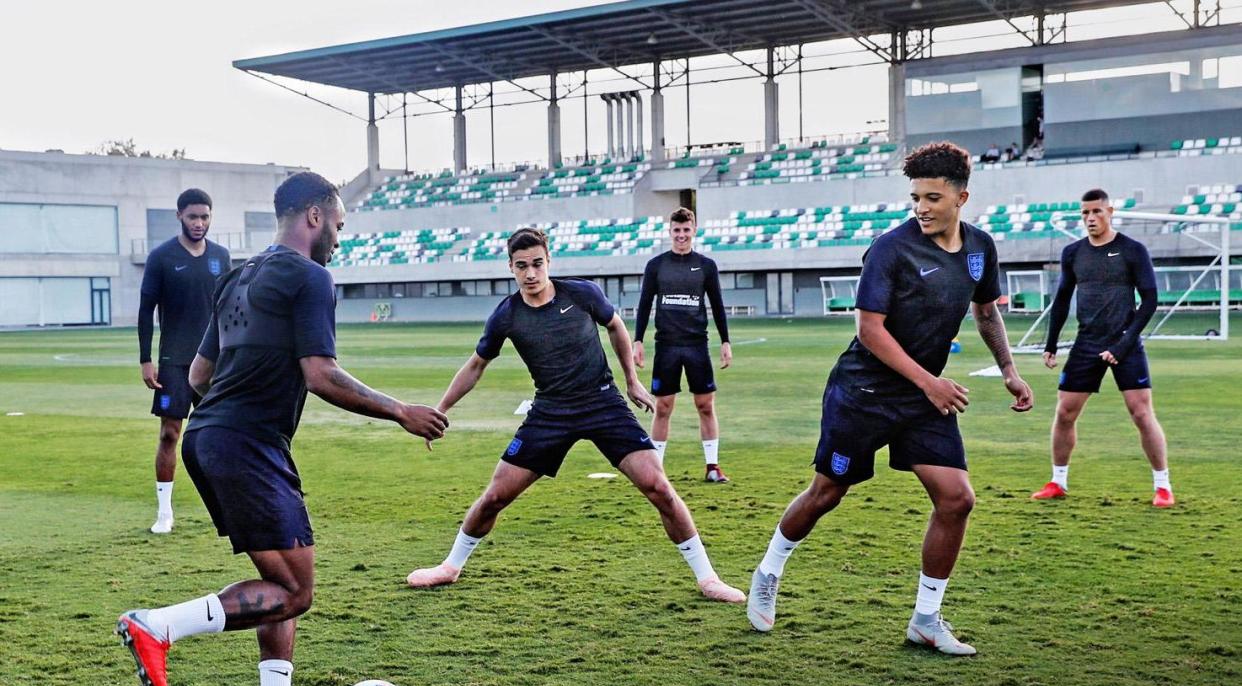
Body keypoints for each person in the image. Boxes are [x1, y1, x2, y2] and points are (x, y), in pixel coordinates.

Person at [117, 172, 449, 686]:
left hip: (215, 437)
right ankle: (159, 625)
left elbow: (198, 376)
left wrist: (225, 421)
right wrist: (400, 411)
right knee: (296, 591)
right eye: (339, 226)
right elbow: (319, 374)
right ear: (315, 217)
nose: (339, 240)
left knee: (281, 577)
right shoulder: (311, 277)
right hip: (247, 444)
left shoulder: (238, 275)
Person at [745, 142, 1034, 654]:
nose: (921, 207)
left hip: (923, 399)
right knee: (827, 493)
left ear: (961, 197)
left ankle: (926, 618)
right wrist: (930, 382)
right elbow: (870, 329)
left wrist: (1009, 370)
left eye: (932, 197)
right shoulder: (890, 248)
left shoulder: (979, 249)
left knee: (957, 498)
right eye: (915, 197)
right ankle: (768, 571)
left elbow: (986, 313)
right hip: (863, 393)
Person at [405, 227, 745, 604]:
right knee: (495, 496)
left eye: (537, 264)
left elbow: (615, 326)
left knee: (659, 487)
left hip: (603, 404)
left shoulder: (581, 294)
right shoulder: (507, 315)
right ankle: (450, 566)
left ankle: (708, 578)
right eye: (522, 267)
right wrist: (440, 410)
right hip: (550, 412)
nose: (531, 274)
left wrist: (631, 381)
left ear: (548, 261)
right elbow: (476, 365)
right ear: (511, 268)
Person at [1032, 188, 1171, 507]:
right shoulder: (1073, 252)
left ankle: (1163, 486)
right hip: (1087, 343)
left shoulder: (1132, 250)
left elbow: (1150, 301)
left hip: (1126, 341)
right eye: (1085, 213)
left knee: (1141, 412)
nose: (1090, 218)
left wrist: (1124, 344)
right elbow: (1062, 299)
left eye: (1096, 212)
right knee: (1065, 412)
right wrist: (1050, 343)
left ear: (1111, 211)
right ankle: (1058, 481)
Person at [137, 189, 230, 534]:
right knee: (169, 435)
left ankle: (226, 507)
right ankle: (165, 513)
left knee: (219, 435)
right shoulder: (161, 257)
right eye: (193, 217)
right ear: (179, 216)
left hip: (214, 365)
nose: (200, 223)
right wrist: (146, 359)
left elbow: (229, 309)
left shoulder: (221, 256)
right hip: (174, 362)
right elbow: (146, 311)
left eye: (205, 217)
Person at [633, 207, 733, 482]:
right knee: (663, 406)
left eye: (686, 230)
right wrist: (637, 340)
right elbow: (644, 304)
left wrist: (725, 341)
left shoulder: (706, 265)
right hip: (666, 345)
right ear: (670, 232)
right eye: (676, 230)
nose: (681, 235)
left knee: (705, 405)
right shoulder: (656, 265)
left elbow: (717, 305)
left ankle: (712, 467)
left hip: (696, 345)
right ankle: (656, 469)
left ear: (694, 231)